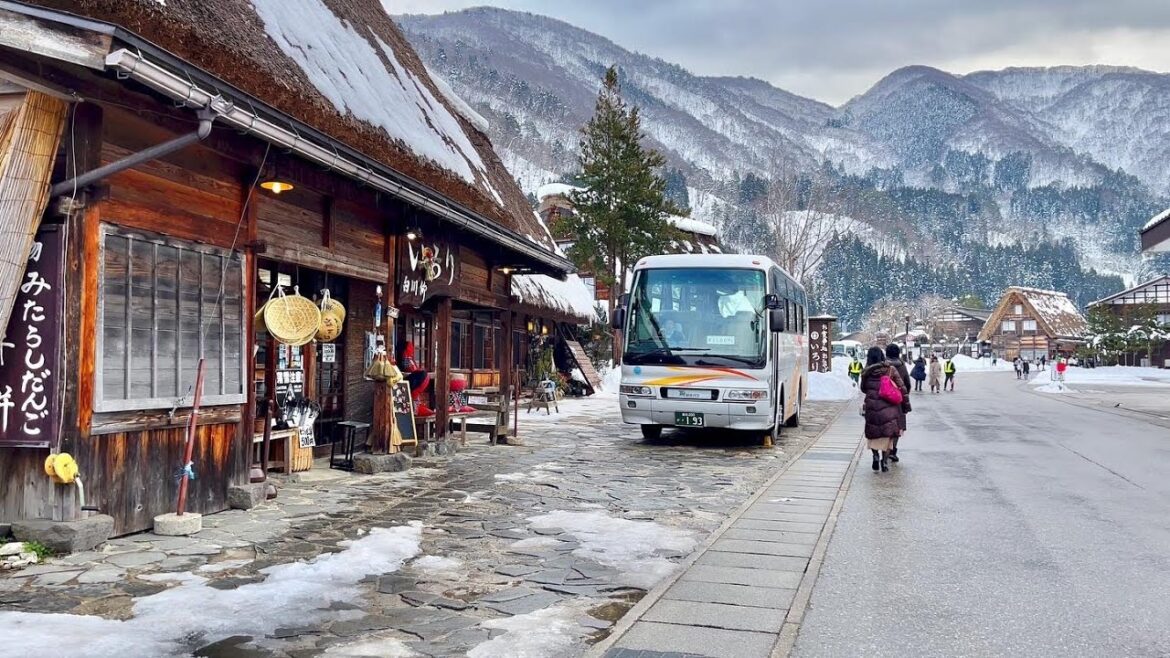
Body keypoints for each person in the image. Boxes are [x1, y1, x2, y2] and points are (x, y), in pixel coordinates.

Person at [861, 346, 905, 473]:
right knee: (888, 435)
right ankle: (884, 461)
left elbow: (863, 389)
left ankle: (875, 455)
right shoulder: (891, 369)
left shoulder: (866, 372)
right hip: (889, 408)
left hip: (872, 407)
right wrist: (905, 406)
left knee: (874, 433)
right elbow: (902, 387)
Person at [885, 344, 912, 462]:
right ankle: (893, 450)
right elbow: (908, 384)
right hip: (898, 402)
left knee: (885, 426)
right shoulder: (902, 365)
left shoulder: (882, 365)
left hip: (883, 401)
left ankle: (885, 450)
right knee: (897, 427)